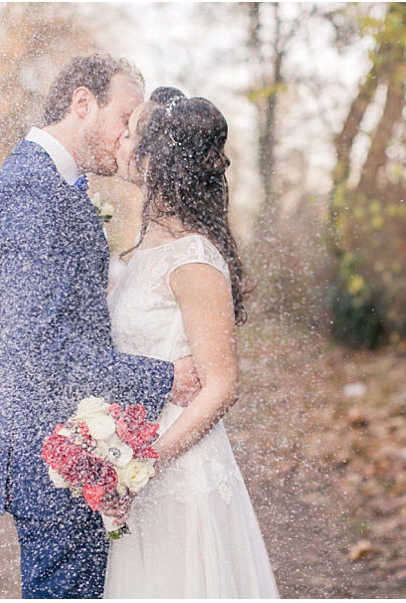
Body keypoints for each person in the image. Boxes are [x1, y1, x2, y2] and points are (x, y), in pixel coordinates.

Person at [0, 57, 199, 599]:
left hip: (82, 457)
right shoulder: (30, 193)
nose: (132, 135)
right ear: (82, 104)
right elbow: (43, 353)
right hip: (56, 467)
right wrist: (162, 378)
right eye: (125, 117)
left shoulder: (54, 187)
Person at [104, 89, 280, 598]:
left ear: (156, 157)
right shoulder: (139, 252)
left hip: (179, 474)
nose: (123, 138)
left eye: (132, 131)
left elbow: (222, 386)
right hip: (137, 459)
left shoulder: (194, 258)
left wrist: (146, 463)